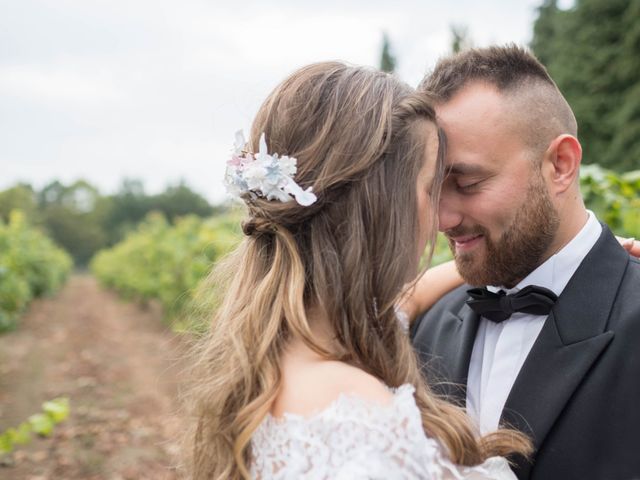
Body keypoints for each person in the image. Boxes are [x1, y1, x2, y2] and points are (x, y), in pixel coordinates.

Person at [182, 62, 531, 479]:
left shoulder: (284, 348)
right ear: (382, 206)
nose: (440, 218)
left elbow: (408, 298)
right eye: (428, 188)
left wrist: (505, 256)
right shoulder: (354, 416)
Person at [411, 45, 640, 480]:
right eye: (433, 188)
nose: (443, 218)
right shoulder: (428, 322)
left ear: (560, 164)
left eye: (468, 182)